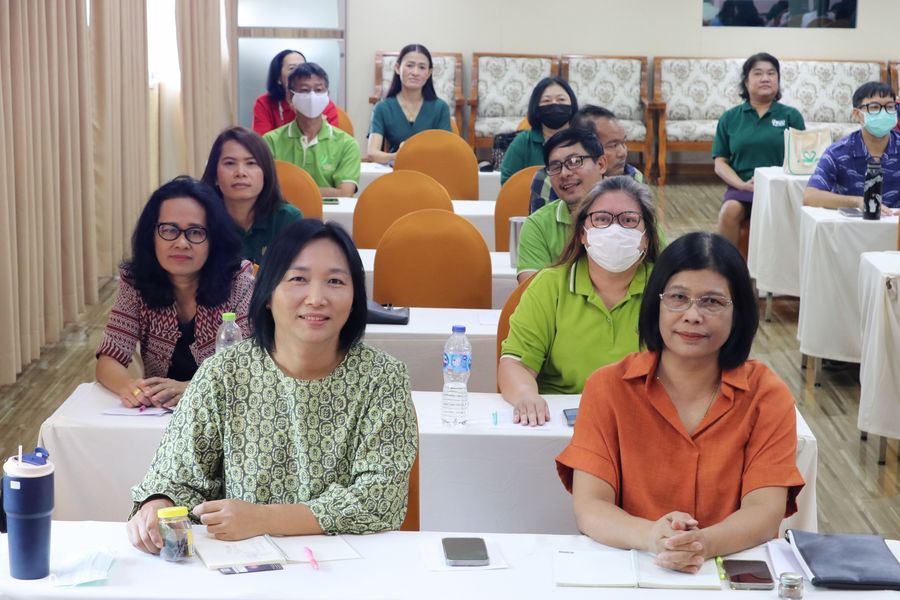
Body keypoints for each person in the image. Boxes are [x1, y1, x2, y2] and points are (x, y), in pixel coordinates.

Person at [126, 219, 418, 552]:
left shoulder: (382, 378)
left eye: (335, 281)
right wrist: (158, 504)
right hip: (242, 562)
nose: (316, 298)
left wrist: (264, 519)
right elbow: (175, 477)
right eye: (298, 279)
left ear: (354, 299)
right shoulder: (224, 373)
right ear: (267, 295)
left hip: (350, 564)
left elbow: (380, 500)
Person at [556, 232, 804, 573]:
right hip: (633, 568)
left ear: (739, 313)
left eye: (712, 302)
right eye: (678, 297)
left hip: (728, 572)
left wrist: (703, 544)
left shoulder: (766, 394)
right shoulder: (608, 388)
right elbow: (590, 506)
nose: (692, 315)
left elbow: (765, 511)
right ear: (656, 303)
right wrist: (653, 537)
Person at [500, 176, 661, 426]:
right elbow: (515, 363)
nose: (614, 230)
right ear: (582, 234)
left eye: (628, 220)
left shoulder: (666, 290)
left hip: (643, 420)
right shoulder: (549, 286)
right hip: (560, 423)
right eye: (602, 219)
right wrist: (526, 396)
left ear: (647, 236)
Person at [95, 177, 253, 409]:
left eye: (195, 232)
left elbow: (251, 366)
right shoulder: (136, 281)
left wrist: (192, 388)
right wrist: (129, 387)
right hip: (160, 416)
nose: (181, 243)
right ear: (152, 236)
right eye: (169, 230)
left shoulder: (238, 281)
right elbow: (110, 356)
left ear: (213, 240)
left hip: (227, 411)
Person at [713, 52, 805, 246]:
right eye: (758, 73)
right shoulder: (730, 118)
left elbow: (802, 159)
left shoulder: (791, 116)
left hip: (781, 188)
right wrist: (741, 185)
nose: (765, 78)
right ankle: (726, 264)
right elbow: (720, 163)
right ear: (746, 82)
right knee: (729, 211)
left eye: (771, 73)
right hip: (744, 187)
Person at [200, 126, 303, 266]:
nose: (240, 172)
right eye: (230, 163)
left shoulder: (287, 219)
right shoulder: (200, 218)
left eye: (251, 163)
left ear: (265, 172)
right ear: (215, 174)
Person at [516, 127, 608, 282]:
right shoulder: (538, 225)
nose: (564, 173)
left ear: (601, 164)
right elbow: (531, 290)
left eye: (574, 161)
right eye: (555, 166)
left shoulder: (633, 215)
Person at [264, 63, 361, 197]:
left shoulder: (347, 144)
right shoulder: (270, 141)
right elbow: (266, 190)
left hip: (330, 210)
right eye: (304, 90)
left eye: (319, 90)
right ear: (290, 96)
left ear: (327, 95)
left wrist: (291, 192)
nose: (312, 96)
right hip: (284, 210)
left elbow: (345, 193)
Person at [804, 81, 900, 215]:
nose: (883, 113)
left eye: (890, 107)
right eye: (874, 107)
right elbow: (810, 196)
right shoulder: (838, 152)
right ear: (857, 113)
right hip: (853, 225)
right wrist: (857, 202)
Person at [530, 105, 645, 213]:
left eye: (623, 142)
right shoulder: (549, 180)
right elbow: (540, 224)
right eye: (613, 145)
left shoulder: (632, 176)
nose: (622, 153)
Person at [366, 43, 452, 164]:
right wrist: (396, 156)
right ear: (397, 68)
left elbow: (447, 150)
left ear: (429, 73)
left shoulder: (441, 107)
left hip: (430, 170)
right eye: (410, 65)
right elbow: (372, 153)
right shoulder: (382, 108)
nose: (415, 72)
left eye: (422, 67)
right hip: (396, 170)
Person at [499, 76, 578, 185]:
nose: (554, 104)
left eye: (561, 99)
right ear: (536, 108)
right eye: (546, 100)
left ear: (572, 104)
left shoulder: (583, 140)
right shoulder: (523, 142)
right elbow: (507, 182)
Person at [251, 49, 338, 136]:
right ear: (278, 78)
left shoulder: (321, 102)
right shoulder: (264, 103)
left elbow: (333, 139)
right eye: (292, 68)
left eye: (303, 67)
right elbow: (261, 142)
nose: (298, 72)